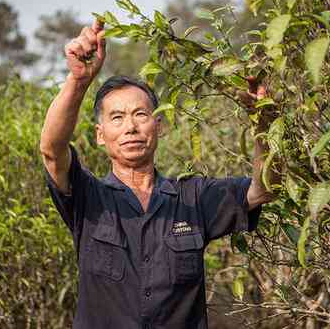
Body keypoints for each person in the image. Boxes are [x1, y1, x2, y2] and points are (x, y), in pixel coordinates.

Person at [40, 18, 277, 329]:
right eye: (117, 117)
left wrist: (264, 121)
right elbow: (51, 150)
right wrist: (79, 80)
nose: (130, 127)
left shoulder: (193, 198)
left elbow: (265, 188)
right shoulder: (88, 199)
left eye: (141, 114)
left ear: (159, 126)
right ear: (100, 134)